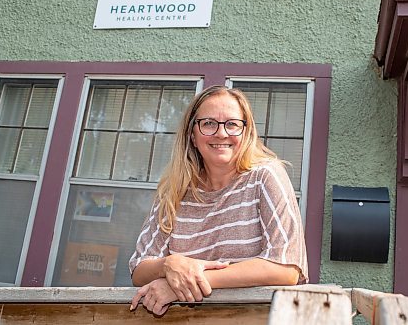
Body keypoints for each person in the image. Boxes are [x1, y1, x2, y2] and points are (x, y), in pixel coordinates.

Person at [129, 85, 308, 315]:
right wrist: (169, 265)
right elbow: (139, 269)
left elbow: (286, 268)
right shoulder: (174, 191)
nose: (221, 133)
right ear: (192, 135)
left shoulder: (265, 176)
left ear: (246, 134)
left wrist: (185, 282)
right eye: (209, 123)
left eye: (232, 124)